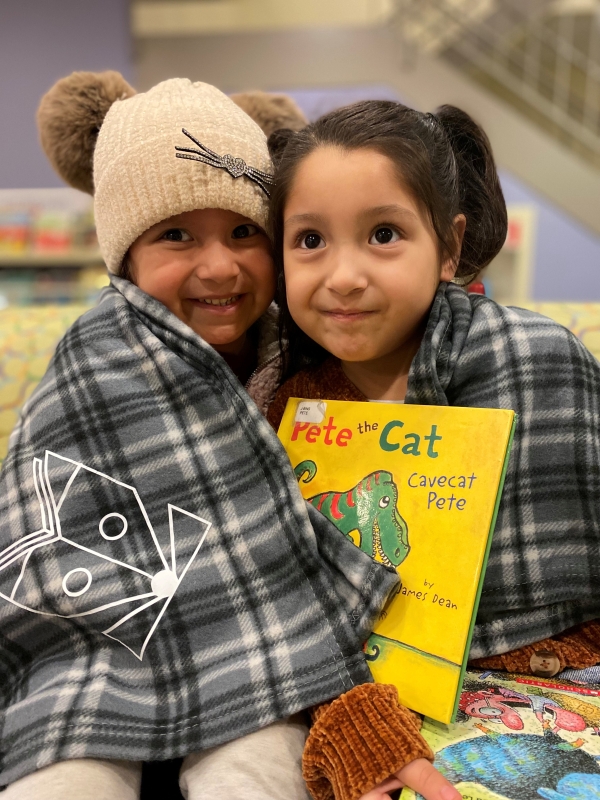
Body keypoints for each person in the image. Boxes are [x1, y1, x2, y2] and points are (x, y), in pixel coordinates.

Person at [0, 74, 458, 800]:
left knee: (256, 769)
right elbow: (45, 533)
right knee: (60, 772)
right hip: (97, 646)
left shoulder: (303, 352)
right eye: (175, 235)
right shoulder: (95, 361)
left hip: (251, 650)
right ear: (125, 258)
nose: (219, 266)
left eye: (245, 231)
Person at [265, 100, 600, 797]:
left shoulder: (540, 361)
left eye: (383, 233)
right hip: (368, 698)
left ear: (449, 245)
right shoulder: (288, 406)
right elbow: (281, 603)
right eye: (309, 241)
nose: (344, 275)